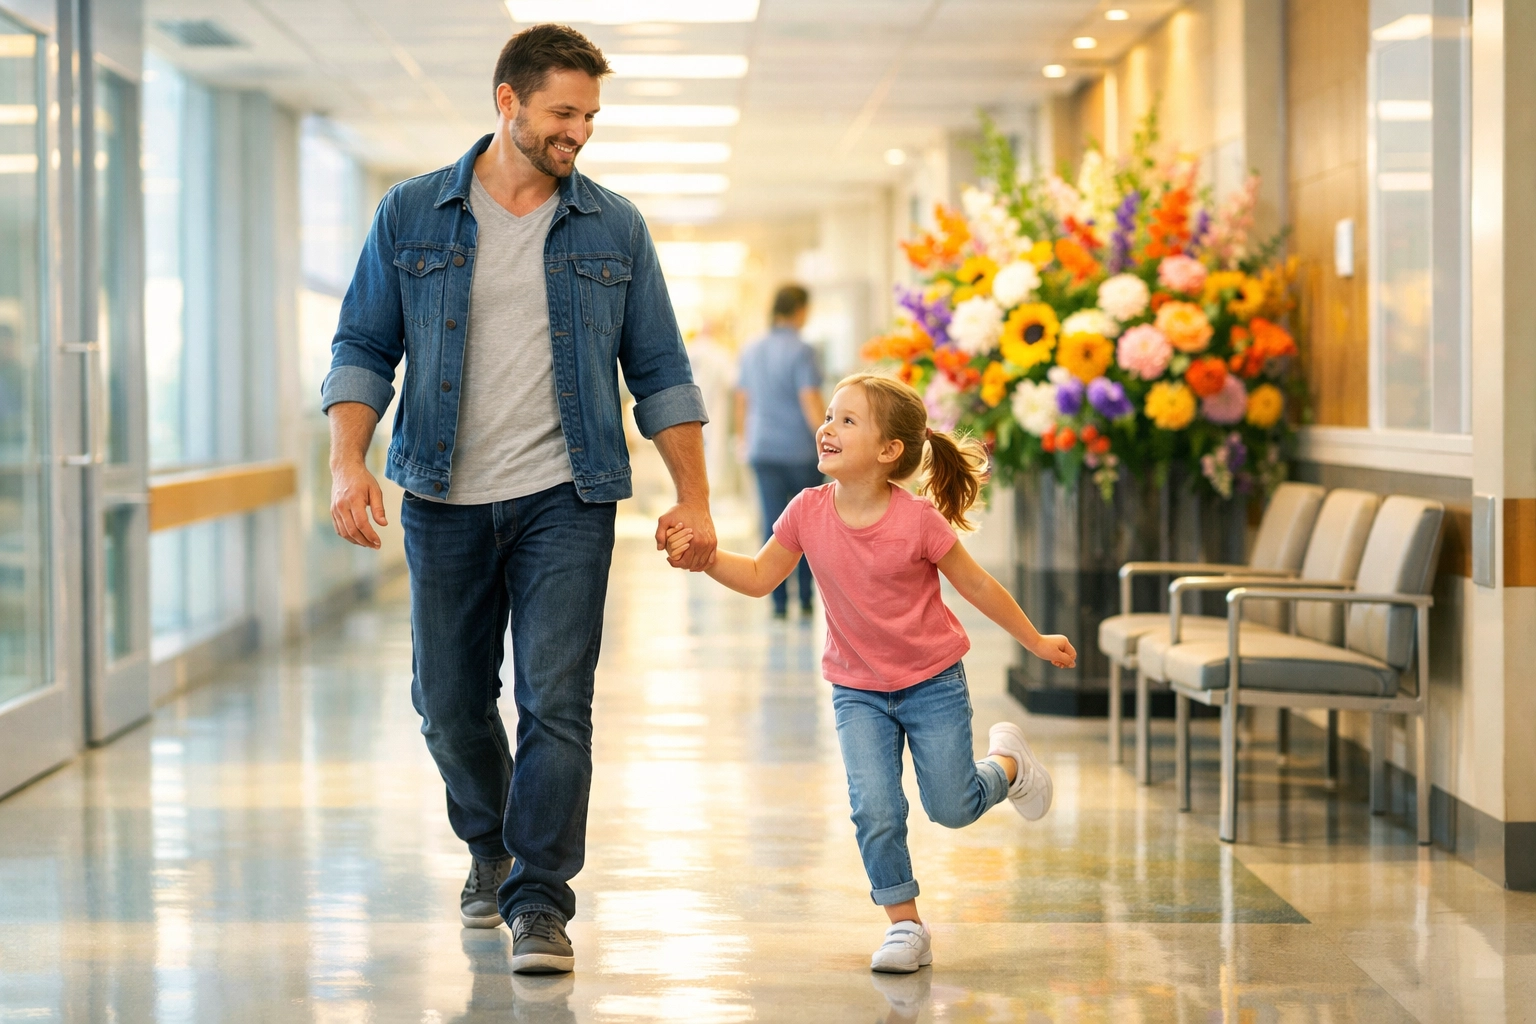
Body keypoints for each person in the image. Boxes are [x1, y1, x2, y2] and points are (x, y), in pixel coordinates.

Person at [320, 24, 717, 975]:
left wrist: (695, 498)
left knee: (557, 702)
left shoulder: (614, 226)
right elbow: (364, 345)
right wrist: (346, 462)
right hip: (442, 494)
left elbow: (661, 369)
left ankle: (540, 899)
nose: (579, 131)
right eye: (563, 112)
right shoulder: (411, 213)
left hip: (566, 498)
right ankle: (490, 844)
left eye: (590, 116)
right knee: (447, 702)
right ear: (508, 102)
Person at [665, 373, 1076, 974]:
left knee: (952, 806)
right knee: (875, 809)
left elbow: (978, 585)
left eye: (847, 420)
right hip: (857, 691)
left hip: (932, 683)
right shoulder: (807, 511)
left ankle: (1008, 765)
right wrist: (704, 559)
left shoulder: (918, 521)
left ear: (889, 450)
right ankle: (905, 925)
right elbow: (757, 577)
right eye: (829, 416)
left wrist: (1035, 640)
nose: (827, 428)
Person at [736, 285, 824, 618]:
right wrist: (829, 439)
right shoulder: (803, 350)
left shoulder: (751, 349)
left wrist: (744, 440)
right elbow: (809, 398)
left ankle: (777, 602)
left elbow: (742, 400)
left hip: (763, 449)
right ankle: (806, 599)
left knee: (773, 525)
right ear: (799, 310)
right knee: (806, 527)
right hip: (800, 451)